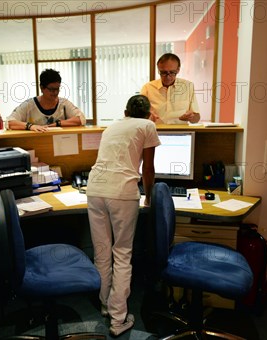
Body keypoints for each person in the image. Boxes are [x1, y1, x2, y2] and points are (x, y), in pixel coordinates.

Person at [86, 95, 160, 337]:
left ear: (125, 111)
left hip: (95, 189)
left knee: (101, 250)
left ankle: (106, 305)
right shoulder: (148, 125)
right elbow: (148, 168)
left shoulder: (112, 126)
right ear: (149, 114)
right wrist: (149, 197)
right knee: (122, 253)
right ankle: (119, 320)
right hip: (122, 192)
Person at [7, 69, 85, 132]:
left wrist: (57, 124)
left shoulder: (64, 104)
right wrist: (31, 126)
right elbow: (10, 122)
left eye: (57, 89)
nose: (55, 92)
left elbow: (81, 119)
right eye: (51, 89)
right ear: (42, 88)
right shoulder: (29, 105)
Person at [140, 53, 200, 124]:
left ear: (178, 70)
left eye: (172, 72)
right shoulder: (148, 88)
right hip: (155, 131)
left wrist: (192, 117)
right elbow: (139, 116)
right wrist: (147, 115)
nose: (168, 77)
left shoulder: (188, 86)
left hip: (180, 133)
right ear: (158, 70)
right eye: (163, 73)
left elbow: (197, 118)